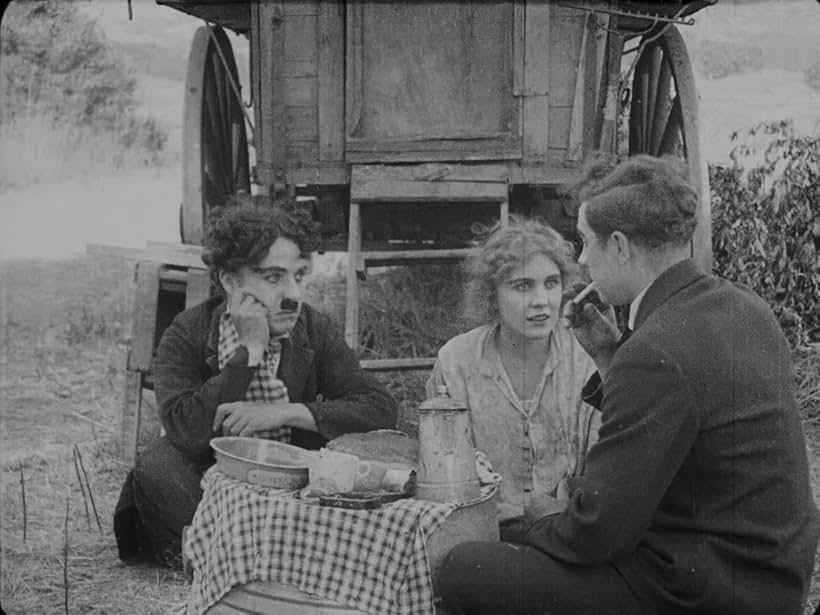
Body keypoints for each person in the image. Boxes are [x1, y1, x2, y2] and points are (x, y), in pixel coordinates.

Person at [437, 155, 819, 615]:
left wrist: (542, 521)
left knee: (466, 568)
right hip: (763, 576)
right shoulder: (743, 307)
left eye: (584, 242)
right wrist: (608, 356)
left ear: (619, 246)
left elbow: (597, 535)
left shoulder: (656, 349)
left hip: (699, 590)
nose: (581, 260)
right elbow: (675, 443)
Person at [114, 196, 398, 568]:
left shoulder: (311, 327)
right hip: (210, 479)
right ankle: (220, 553)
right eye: (274, 278)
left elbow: (380, 407)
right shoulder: (188, 332)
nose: (293, 296)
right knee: (157, 466)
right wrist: (248, 353)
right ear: (230, 281)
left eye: (298, 276)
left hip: (291, 478)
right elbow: (185, 431)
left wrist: (284, 413)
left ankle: (257, 549)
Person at [426, 216, 599, 525]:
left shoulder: (586, 357)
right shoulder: (456, 362)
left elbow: (605, 467)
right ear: (492, 294)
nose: (541, 301)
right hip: (481, 528)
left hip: (570, 529)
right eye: (522, 286)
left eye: (551, 283)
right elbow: (442, 470)